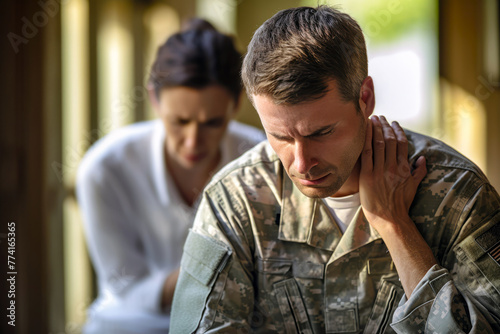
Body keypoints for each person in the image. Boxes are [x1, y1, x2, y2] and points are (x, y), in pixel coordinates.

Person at [170, 6, 500, 334]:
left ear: (365, 98)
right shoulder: (234, 199)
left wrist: (395, 226)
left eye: (321, 133)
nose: (301, 163)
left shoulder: (457, 193)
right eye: (281, 136)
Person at [76, 18, 265, 334]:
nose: (193, 141)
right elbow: (126, 287)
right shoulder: (105, 168)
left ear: (236, 104)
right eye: (179, 120)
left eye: (212, 123)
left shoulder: (259, 155)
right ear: (154, 99)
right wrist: (225, 265)